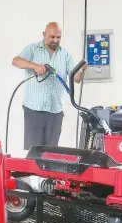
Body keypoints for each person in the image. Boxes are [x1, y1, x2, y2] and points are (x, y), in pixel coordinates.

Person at [12, 22, 87, 150]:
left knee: (51, 152)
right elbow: (16, 61)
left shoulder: (65, 54)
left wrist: (82, 70)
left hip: (55, 112)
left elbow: (77, 79)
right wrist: (35, 66)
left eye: (58, 37)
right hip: (34, 110)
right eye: (52, 37)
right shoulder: (33, 49)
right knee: (33, 151)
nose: (55, 40)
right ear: (44, 34)